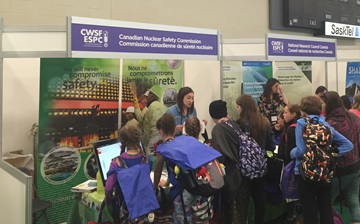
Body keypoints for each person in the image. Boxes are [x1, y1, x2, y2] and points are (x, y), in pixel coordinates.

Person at [290, 96, 353, 224]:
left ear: (304, 110)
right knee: (325, 207)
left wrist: (292, 153)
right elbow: (348, 145)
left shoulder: (302, 123)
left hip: (305, 172)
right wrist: (329, 154)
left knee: (309, 209)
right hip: (325, 170)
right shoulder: (326, 124)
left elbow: (301, 151)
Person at [236, 94, 276, 224]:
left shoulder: (238, 125)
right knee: (259, 199)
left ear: (242, 108)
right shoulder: (264, 122)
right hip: (260, 166)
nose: (237, 109)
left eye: (238, 107)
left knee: (243, 200)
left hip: (244, 168)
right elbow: (271, 145)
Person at [322, 91, 360, 224]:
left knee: (326, 202)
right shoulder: (353, 117)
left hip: (339, 171)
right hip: (355, 166)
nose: (320, 106)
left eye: (322, 103)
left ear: (329, 104)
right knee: (354, 201)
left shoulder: (330, 124)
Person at [104, 125, 153, 222]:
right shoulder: (147, 160)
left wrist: (108, 201)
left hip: (125, 211)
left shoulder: (116, 163)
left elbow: (108, 188)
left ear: (122, 141)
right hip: (144, 209)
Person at [208, 100, 246, 224]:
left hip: (228, 173)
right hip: (239, 171)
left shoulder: (218, 129)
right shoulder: (233, 124)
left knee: (227, 209)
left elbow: (220, 155)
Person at [153, 113, 193, 224]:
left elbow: (157, 171)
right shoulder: (181, 141)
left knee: (180, 217)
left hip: (179, 190)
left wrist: (154, 186)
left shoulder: (162, 148)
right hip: (190, 186)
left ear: (161, 132)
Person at [277, 103, 301, 222]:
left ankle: (291, 214)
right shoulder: (298, 126)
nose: (283, 115)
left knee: (291, 189)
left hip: (291, 164)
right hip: (298, 164)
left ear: (293, 114)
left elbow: (290, 150)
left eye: (286, 112)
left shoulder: (291, 130)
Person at [133, 85, 167, 153]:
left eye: (149, 94)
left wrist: (153, 150)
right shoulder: (156, 106)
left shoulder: (155, 106)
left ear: (152, 95)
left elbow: (156, 130)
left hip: (153, 146)